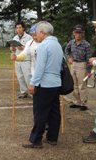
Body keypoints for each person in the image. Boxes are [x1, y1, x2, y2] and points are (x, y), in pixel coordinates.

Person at [22, 21, 63, 149]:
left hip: (44, 84)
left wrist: (32, 83)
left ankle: (36, 140)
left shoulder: (43, 46)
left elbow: (40, 68)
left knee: (40, 112)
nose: (36, 35)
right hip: (56, 83)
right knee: (54, 112)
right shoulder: (57, 45)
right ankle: (52, 137)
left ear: (42, 33)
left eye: (37, 32)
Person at [65, 24, 91, 111]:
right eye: (76, 33)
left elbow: (88, 58)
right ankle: (77, 101)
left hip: (82, 65)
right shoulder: (71, 42)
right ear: (73, 33)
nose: (78, 35)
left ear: (83, 33)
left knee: (82, 85)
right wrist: (68, 57)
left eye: (80, 33)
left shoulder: (86, 44)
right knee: (74, 84)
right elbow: (66, 50)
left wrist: (88, 71)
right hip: (73, 64)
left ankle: (83, 103)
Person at [10, 21, 32, 98]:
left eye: (20, 27)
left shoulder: (29, 37)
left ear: (23, 28)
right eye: (17, 28)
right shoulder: (15, 38)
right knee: (20, 76)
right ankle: (23, 92)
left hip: (26, 60)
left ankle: (32, 92)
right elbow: (12, 50)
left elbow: (31, 49)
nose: (18, 29)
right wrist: (12, 48)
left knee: (28, 76)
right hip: (17, 59)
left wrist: (22, 48)